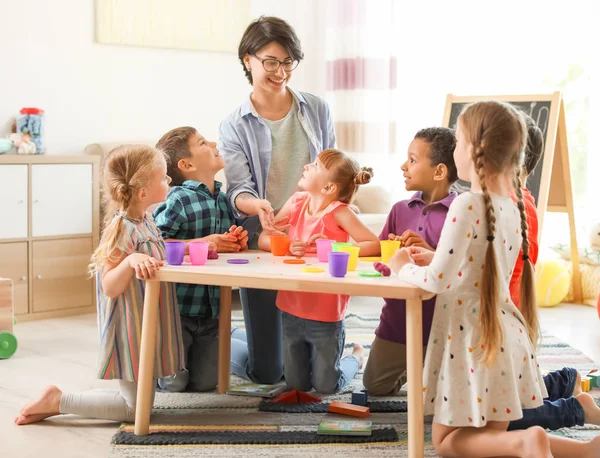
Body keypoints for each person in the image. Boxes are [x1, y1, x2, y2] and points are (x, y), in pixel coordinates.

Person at [389, 101, 599, 457]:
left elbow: (435, 282)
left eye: (457, 142)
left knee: (445, 443)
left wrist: (400, 266)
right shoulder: (512, 206)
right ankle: (587, 450)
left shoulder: (466, 204)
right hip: (505, 338)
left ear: (475, 150)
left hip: (472, 340)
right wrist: (434, 257)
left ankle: (525, 440)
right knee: (491, 439)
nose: (454, 149)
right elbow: (475, 265)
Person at [15, 145, 184, 425]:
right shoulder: (123, 228)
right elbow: (108, 286)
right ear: (143, 192)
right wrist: (130, 262)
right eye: (164, 177)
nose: (169, 181)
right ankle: (58, 400)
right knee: (134, 410)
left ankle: (62, 399)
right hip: (132, 326)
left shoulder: (146, 220)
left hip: (147, 321)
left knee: (141, 403)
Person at [220, 16, 335, 383]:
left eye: (288, 62)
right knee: (268, 372)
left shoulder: (316, 108)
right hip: (265, 238)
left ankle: (347, 357)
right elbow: (237, 189)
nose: (281, 71)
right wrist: (259, 207)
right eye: (271, 61)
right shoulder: (234, 124)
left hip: (313, 235)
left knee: (318, 369)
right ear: (247, 59)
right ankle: (226, 343)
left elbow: (334, 168)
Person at [257, 149, 379, 392]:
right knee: (296, 386)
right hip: (291, 307)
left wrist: (339, 248)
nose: (306, 166)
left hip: (325, 314)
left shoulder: (340, 213)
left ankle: (355, 357)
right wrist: (288, 245)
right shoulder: (296, 203)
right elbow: (264, 239)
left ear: (328, 188)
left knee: (326, 387)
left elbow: (373, 244)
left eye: (314, 166)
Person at [363, 127, 458, 395]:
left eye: (413, 160)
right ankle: (415, 370)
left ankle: (424, 371)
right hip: (396, 323)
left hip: (440, 329)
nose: (404, 166)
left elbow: (461, 270)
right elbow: (382, 258)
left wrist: (431, 254)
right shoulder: (399, 210)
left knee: (437, 404)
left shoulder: (459, 214)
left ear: (439, 172)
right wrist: (391, 254)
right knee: (375, 386)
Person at [152, 127, 248, 392]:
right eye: (203, 142)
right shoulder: (178, 199)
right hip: (177, 311)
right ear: (187, 164)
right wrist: (201, 244)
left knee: (206, 383)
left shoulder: (224, 199)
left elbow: (221, 244)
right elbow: (154, 244)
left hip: (212, 312)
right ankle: (148, 355)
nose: (214, 143)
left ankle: (232, 336)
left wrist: (233, 242)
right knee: (173, 384)